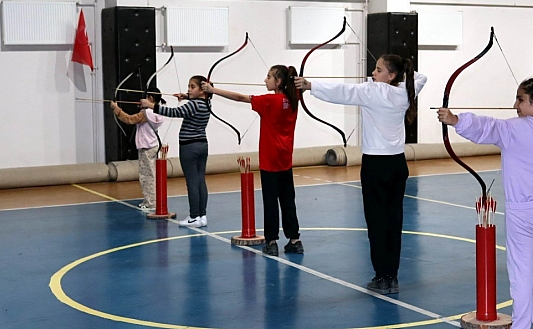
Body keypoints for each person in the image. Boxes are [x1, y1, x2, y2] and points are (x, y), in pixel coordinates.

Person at [436, 77, 533, 329]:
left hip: (522, 213)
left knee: (521, 273)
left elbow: (487, 127)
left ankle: (520, 326)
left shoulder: (516, 130)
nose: (515, 105)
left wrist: (455, 120)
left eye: (520, 100)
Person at [295, 54, 427, 295]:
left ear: (391, 75)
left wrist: (310, 85)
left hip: (376, 165)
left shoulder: (372, 91)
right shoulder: (406, 92)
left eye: (378, 70)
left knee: (377, 222)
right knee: (393, 221)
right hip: (398, 164)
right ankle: (392, 277)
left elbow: (342, 92)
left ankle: (381, 276)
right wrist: (397, 78)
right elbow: (420, 77)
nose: (372, 73)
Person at [201, 65, 303, 256]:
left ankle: (271, 242)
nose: (265, 80)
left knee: (271, 202)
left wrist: (212, 90)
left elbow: (240, 98)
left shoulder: (270, 100)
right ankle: (295, 240)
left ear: (278, 82)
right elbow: (296, 86)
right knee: (288, 201)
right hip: (285, 161)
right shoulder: (294, 99)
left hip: (270, 161)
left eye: (269, 77)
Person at [141, 76, 211, 228]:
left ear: (202, 89)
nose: (188, 89)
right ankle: (202, 215)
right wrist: (186, 96)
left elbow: (174, 112)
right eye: (188, 86)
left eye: (192, 87)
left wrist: (151, 105)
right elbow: (194, 102)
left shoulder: (193, 105)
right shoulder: (206, 103)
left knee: (192, 182)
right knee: (200, 181)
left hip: (189, 147)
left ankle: (193, 217)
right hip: (202, 145)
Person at [111, 87, 164, 212]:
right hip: (152, 145)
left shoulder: (147, 113)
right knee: (150, 174)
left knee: (147, 176)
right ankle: (151, 200)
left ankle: (151, 203)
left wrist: (116, 109)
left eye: (146, 97)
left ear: (150, 98)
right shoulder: (157, 111)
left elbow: (129, 119)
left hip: (146, 147)